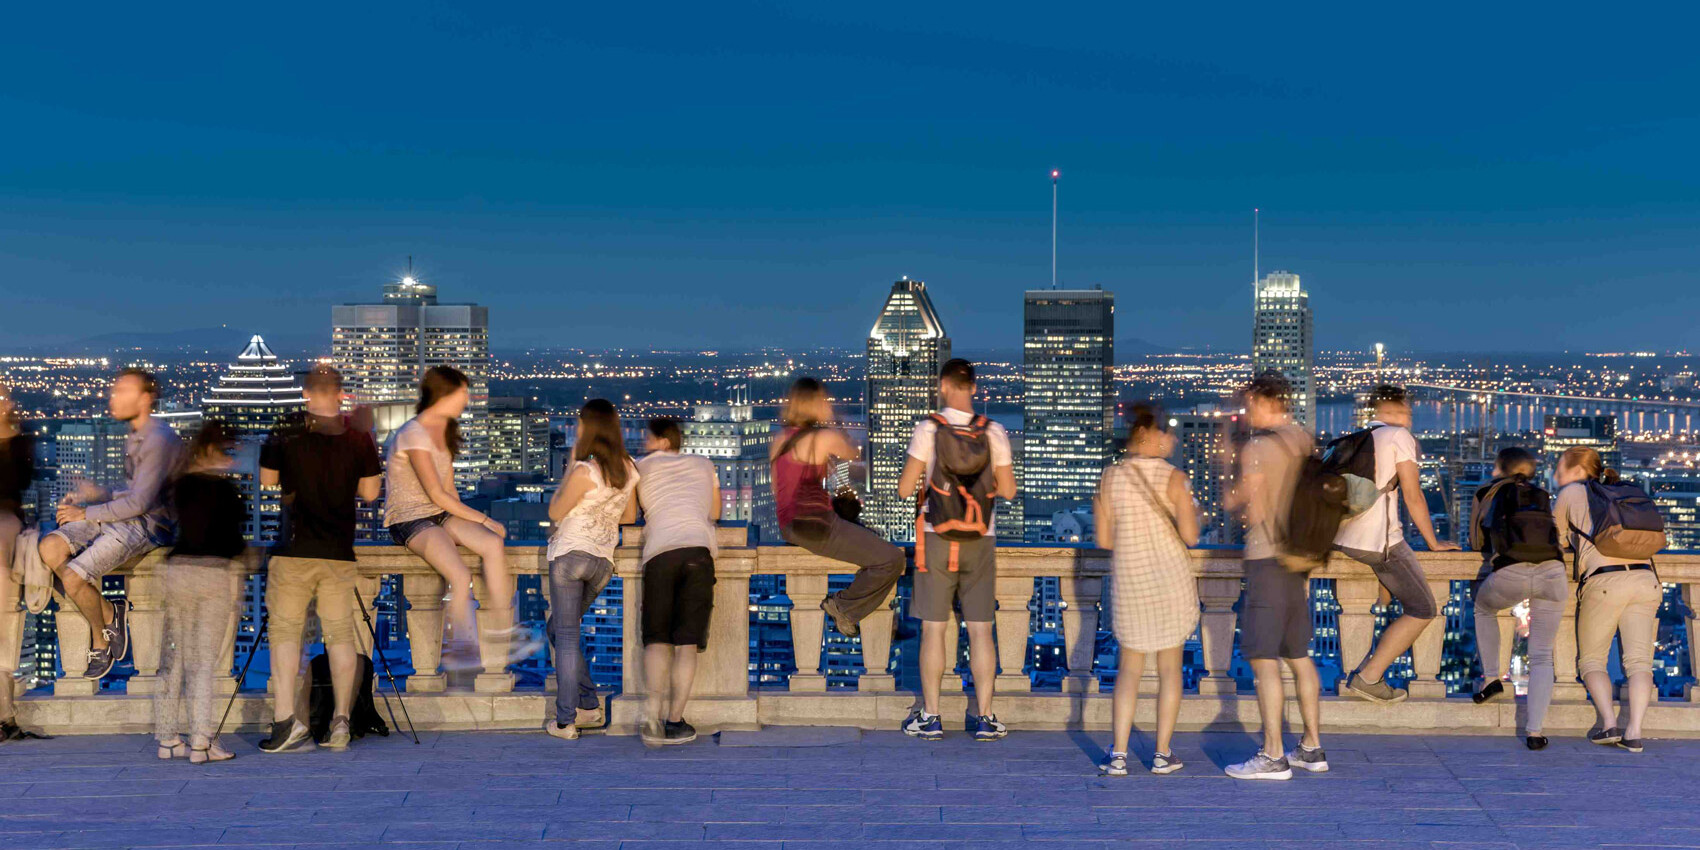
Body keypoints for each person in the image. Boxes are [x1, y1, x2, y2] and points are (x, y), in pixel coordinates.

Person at [258, 365, 382, 753]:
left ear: (306, 393)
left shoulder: (287, 428)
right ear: (340, 394)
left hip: (293, 548)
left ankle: (286, 724)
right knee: (340, 635)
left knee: (285, 634)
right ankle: (341, 721)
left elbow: (266, 481)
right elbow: (371, 493)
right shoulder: (359, 434)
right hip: (338, 551)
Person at [895, 359, 1016, 742]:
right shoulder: (993, 431)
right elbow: (1009, 491)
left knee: (934, 630)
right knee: (981, 630)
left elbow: (903, 489)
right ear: (974, 388)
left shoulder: (929, 429)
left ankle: (931, 716)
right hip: (981, 539)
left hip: (936, 538)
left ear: (944, 385)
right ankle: (985, 717)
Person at [40, 369, 183, 680]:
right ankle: (109, 612)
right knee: (50, 547)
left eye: (123, 391)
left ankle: (99, 637)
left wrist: (86, 513)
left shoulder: (159, 439)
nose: (113, 397)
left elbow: (142, 503)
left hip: (147, 526)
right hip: (123, 516)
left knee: (74, 577)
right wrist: (99, 494)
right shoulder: (136, 435)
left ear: (145, 399)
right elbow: (134, 491)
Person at [1224, 372, 1327, 780]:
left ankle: (1272, 755)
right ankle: (1312, 747)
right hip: (1300, 561)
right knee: (1299, 656)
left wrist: (1225, 482)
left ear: (1267, 402)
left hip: (1268, 557)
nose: (1247, 412)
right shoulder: (1302, 439)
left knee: (1264, 659)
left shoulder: (1258, 447)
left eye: (1251, 405)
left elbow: (1247, 505)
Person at [386, 366, 517, 672]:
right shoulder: (413, 434)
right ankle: (463, 647)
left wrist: (473, 527)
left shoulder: (442, 433)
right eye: (462, 393)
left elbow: (449, 493)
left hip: (439, 514)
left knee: (493, 545)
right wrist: (482, 519)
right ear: (444, 395)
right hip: (409, 518)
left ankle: (501, 627)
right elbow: (435, 493)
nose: (466, 399)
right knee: (459, 575)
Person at [1334, 384, 1459, 703]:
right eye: (1404, 411)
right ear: (1391, 411)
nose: (1408, 418)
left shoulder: (1359, 438)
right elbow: (1413, 495)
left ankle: (1384, 597)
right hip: (1381, 541)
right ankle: (1369, 677)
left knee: (1393, 593)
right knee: (1423, 607)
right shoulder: (1399, 436)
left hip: (1346, 538)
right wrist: (1433, 542)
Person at [1093, 404, 1198, 775]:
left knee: (1129, 671)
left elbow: (1104, 539)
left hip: (1131, 580)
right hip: (1170, 579)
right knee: (1170, 669)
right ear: (1145, 436)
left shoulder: (1109, 477)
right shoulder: (1174, 477)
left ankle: (1118, 753)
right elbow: (1190, 535)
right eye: (1162, 433)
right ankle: (1162, 753)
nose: (1168, 439)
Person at [770, 378, 905, 640]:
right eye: (823, 401)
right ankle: (843, 606)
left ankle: (857, 609)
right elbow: (852, 453)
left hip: (789, 525)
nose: (828, 404)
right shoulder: (822, 437)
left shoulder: (780, 438)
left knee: (871, 541)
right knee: (892, 559)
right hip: (817, 524)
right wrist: (833, 420)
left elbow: (779, 488)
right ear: (814, 405)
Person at [1555, 446, 1661, 753]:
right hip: (1645, 579)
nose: (1558, 472)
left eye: (1561, 465)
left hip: (1604, 581)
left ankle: (1609, 724)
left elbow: (1554, 536)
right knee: (1640, 662)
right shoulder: (1623, 491)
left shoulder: (1571, 493)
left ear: (1576, 470)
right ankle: (1635, 733)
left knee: (1591, 660)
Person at [543, 399, 638, 741]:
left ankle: (566, 721)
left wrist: (572, 465)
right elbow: (628, 517)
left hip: (570, 556)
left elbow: (556, 510)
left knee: (565, 637)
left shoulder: (585, 471)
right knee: (558, 630)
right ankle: (588, 705)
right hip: (602, 563)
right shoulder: (629, 469)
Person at [153, 420, 246, 764]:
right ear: (214, 450)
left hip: (177, 571)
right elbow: (233, 542)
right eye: (229, 451)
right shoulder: (226, 493)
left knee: (172, 660)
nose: (233, 460)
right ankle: (201, 742)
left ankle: (166, 739)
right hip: (212, 576)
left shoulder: (180, 485)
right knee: (203, 663)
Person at [1469, 446, 1565, 751]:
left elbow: (1475, 541)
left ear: (1499, 468)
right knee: (1541, 655)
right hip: (1553, 572)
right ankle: (1535, 733)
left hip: (1511, 573)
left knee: (1484, 609)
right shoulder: (1540, 494)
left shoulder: (1488, 490)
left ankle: (1491, 678)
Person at [633, 417, 719, 746]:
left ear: (664, 441)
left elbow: (630, 514)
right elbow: (715, 511)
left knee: (657, 639)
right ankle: (675, 721)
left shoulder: (639, 467)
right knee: (687, 644)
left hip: (660, 554)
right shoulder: (704, 464)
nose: (644, 444)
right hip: (698, 551)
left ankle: (652, 716)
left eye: (648, 438)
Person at [0, 381, 35, 741]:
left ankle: (4, 716)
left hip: (4, 536)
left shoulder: (19, 442)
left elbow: (18, 484)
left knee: (5, 626)